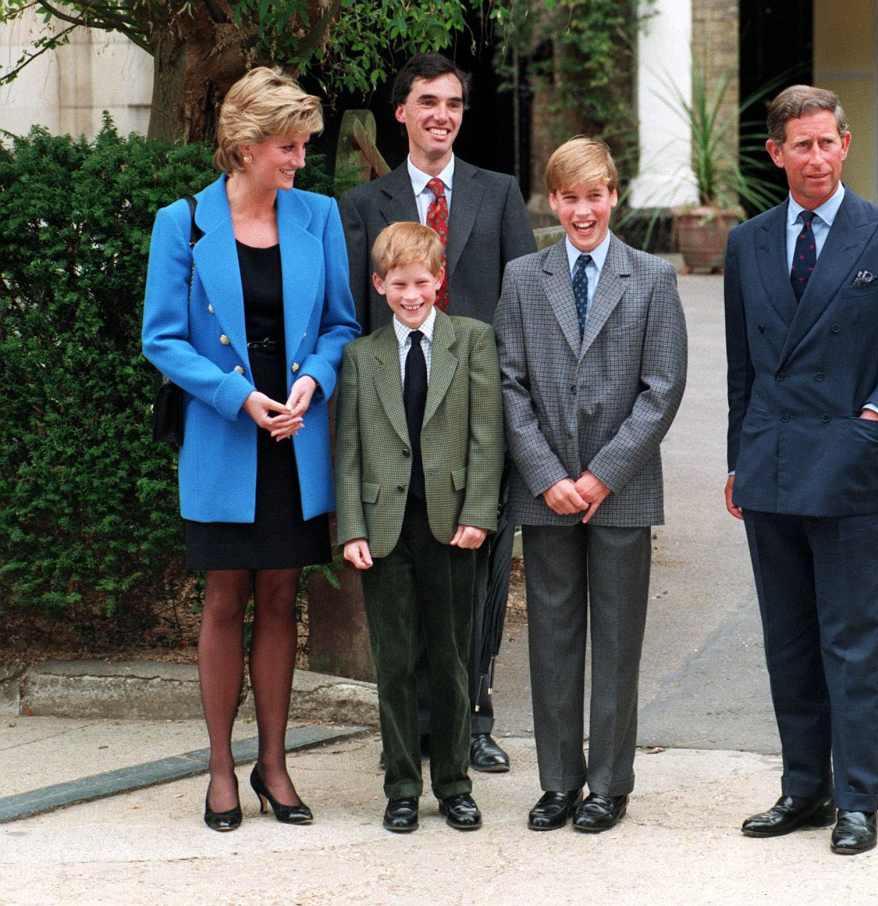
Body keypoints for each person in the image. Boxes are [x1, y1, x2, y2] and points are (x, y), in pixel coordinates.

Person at [724, 85, 878, 855]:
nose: (816, 158)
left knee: (851, 643)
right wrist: (737, 459)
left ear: (845, 144)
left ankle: (858, 799)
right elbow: (742, 368)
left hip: (854, 471)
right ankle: (803, 789)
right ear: (776, 153)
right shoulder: (747, 242)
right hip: (772, 465)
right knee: (786, 639)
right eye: (802, 145)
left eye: (828, 142)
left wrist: (875, 419)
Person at [142, 67, 360, 832]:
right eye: (288, 147)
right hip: (225, 433)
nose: (300, 161)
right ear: (243, 146)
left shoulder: (320, 216)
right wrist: (239, 397)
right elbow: (161, 338)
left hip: (296, 436)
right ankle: (220, 768)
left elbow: (340, 324)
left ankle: (274, 763)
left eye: (303, 146)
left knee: (280, 598)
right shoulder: (183, 223)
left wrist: (314, 383)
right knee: (225, 598)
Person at [340, 52, 536, 773]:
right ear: (401, 113)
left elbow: (523, 306)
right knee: (407, 580)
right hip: (398, 419)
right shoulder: (364, 205)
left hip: (477, 421)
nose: (441, 116)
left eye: (453, 103)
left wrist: (517, 416)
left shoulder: (499, 192)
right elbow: (358, 318)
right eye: (427, 102)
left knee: (478, 581)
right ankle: (417, 727)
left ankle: (472, 720)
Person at [495, 137, 687, 833]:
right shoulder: (523, 278)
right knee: (551, 637)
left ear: (614, 196)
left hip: (621, 489)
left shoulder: (652, 278)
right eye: (570, 198)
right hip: (546, 493)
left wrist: (603, 474)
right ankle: (557, 783)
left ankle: (608, 782)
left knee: (616, 637)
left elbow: (662, 388)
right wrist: (549, 477)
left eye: (595, 196)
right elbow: (508, 385)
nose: (583, 210)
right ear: (553, 201)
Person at [336, 221, 504, 833]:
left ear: (441, 280)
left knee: (453, 659)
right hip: (384, 531)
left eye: (422, 282)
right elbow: (348, 448)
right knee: (396, 660)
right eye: (399, 283)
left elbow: (488, 436)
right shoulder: (361, 356)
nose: (412, 295)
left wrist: (479, 514)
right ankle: (401, 785)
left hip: (452, 526)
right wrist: (350, 527)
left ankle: (455, 783)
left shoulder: (473, 342)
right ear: (380, 285)